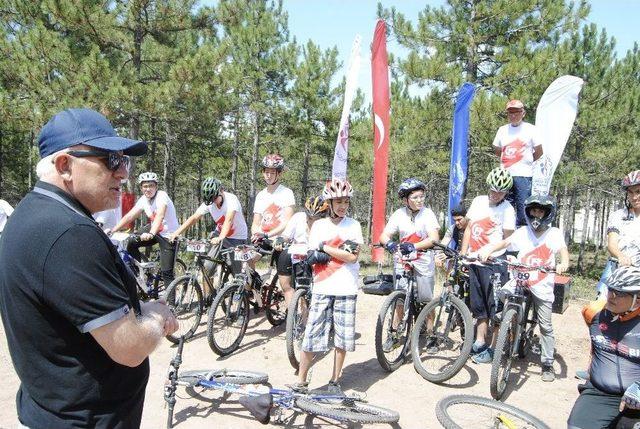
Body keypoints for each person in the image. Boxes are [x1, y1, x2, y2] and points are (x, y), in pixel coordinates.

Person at [0, 108, 177, 428]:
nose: (123, 172)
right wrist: (157, 317)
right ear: (65, 165)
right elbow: (130, 348)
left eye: (124, 160)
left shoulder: (34, 212)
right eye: (111, 160)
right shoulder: (69, 234)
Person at [479, 194, 569, 381]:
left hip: (542, 282)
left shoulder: (554, 233)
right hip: (520, 279)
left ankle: (547, 363)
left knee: (545, 324)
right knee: (503, 296)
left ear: (548, 213)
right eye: (534, 210)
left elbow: (563, 252)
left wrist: (563, 264)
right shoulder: (522, 231)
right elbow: (504, 243)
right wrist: (488, 249)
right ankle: (506, 324)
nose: (537, 214)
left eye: (541, 210)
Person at [292, 178, 363, 393]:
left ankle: (334, 381)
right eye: (338, 201)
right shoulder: (319, 226)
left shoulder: (354, 225)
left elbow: (352, 257)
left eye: (346, 202)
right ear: (329, 203)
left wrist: (326, 247)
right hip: (323, 287)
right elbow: (313, 256)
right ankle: (301, 382)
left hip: (346, 289)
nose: (342, 206)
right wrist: (335, 250)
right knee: (312, 336)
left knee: (342, 339)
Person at [567, 266, 640, 429]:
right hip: (599, 393)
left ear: (638, 298)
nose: (612, 296)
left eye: (620, 293)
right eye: (611, 289)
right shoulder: (593, 312)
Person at [460, 167, 516, 364]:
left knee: (496, 308)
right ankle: (479, 341)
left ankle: (494, 349)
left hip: (494, 265)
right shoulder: (478, 202)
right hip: (475, 261)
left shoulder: (508, 209)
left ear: (506, 192)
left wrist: (491, 249)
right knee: (479, 306)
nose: (495, 194)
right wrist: (463, 253)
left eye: (499, 192)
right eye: (492, 190)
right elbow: (468, 229)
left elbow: (509, 240)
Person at [379, 178, 440, 351]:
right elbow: (383, 236)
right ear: (406, 200)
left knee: (427, 300)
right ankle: (393, 334)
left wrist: (414, 246)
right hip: (403, 261)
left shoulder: (428, 214)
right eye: (415, 197)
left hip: (423, 260)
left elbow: (434, 238)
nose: (420, 200)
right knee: (399, 301)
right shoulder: (399, 214)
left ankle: (430, 335)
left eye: (422, 196)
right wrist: (390, 244)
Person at [169, 177, 247, 291]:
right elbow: (194, 217)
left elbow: (229, 220)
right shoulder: (210, 202)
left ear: (221, 190)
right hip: (219, 235)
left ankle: (244, 296)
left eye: (215, 197)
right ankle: (208, 300)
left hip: (237, 238)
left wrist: (220, 237)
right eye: (210, 199)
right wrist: (177, 232)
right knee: (207, 268)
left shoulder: (231, 199)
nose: (213, 201)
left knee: (238, 274)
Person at [110, 171, 180, 287]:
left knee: (166, 272)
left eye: (151, 186)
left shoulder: (162, 196)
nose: (148, 189)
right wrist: (113, 230)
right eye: (145, 186)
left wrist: (151, 233)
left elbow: (160, 215)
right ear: (141, 188)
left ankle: (170, 304)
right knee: (132, 242)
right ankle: (139, 275)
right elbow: (130, 216)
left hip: (168, 234)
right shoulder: (143, 199)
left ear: (156, 186)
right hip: (154, 229)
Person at [492, 99, 543, 227]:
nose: (513, 115)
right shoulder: (502, 130)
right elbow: (497, 149)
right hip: (505, 176)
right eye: (511, 112)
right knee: (502, 207)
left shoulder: (531, 129)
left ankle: (522, 238)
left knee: (523, 210)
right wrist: (508, 160)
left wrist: (527, 161)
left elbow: (539, 151)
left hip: (523, 175)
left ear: (523, 113)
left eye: (517, 112)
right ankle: (502, 236)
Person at [273, 195, 329, 308]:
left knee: (305, 290)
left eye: (316, 219)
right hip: (295, 252)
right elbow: (286, 236)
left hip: (312, 255)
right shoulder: (298, 217)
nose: (312, 222)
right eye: (310, 218)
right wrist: (280, 239)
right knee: (286, 283)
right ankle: (291, 315)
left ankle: (305, 318)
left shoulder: (328, 224)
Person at [250, 154, 295, 294]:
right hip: (263, 238)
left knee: (284, 283)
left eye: (272, 172)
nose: (268, 175)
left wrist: (268, 234)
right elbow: (255, 222)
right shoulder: (261, 195)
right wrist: (256, 234)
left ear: (279, 174)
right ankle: (255, 290)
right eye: (266, 172)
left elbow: (288, 221)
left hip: (281, 240)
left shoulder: (286, 193)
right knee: (247, 259)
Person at [596, 170, 640, 299]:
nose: (634, 197)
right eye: (630, 192)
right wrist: (621, 256)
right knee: (598, 309)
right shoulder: (619, 215)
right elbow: (612, 244)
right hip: (616, 268)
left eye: (638, 191)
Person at [435, 203, 468, 268]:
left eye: (459, 219)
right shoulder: (452, 228)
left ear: (466, 217)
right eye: (454, 220)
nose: (457, 223)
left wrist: (449, 255)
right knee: (451, 264)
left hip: (471, 259)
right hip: (457, 257)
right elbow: (442, 245)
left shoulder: (474, 228)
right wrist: (438, 255)